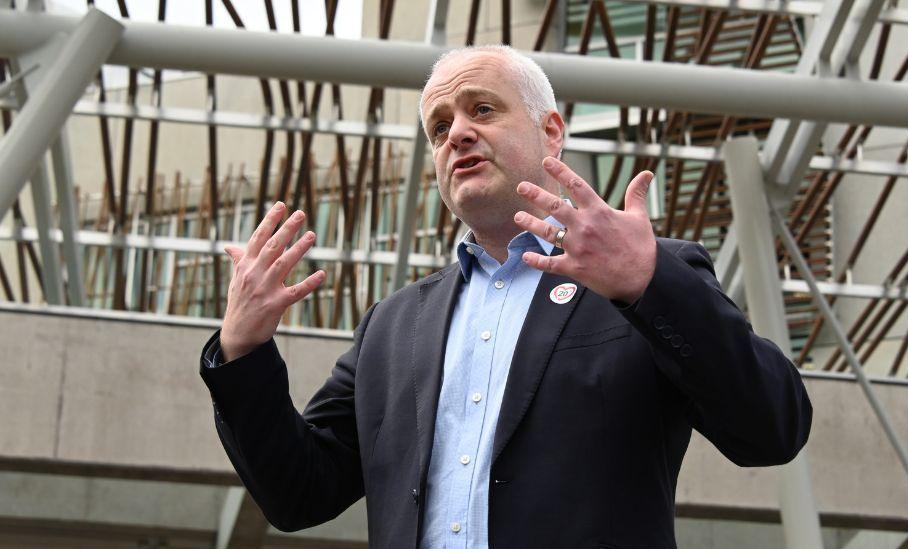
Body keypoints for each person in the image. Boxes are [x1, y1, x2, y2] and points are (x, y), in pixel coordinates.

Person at [200, 45, 812, 548]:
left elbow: (772, 429)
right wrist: (242, 349)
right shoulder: (393, 326)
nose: (457, 134)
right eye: (439, 128)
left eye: (482, 110)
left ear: (551, 132)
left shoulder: (647, 276)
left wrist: (648, 282)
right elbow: (300, 493)